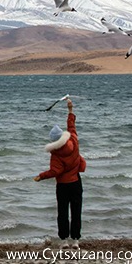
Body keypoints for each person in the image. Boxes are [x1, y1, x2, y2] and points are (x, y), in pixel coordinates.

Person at [34, 99, 86, 250]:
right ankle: (75, 240)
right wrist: (70, 109)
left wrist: (41, 176)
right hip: (76, 182)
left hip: (63, 185)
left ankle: (64, 241)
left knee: (62, 212)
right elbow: (72, 125)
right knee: (76, 211)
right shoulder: (74, 141)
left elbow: (55, 171)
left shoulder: (56, 154)